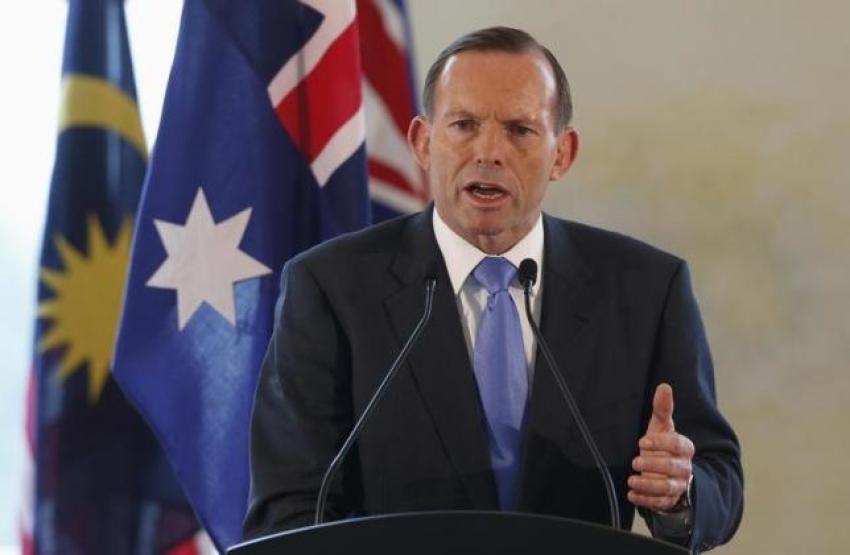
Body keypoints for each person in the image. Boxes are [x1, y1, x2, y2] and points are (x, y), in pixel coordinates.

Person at [244, 27, 743, 552]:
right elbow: (290, 508)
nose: (489, 152)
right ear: (422, 142)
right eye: (463, 125)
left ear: (562, 154)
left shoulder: (645, 289)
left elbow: (720, 479)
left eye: (520, 130)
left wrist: (679, 491)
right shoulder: (330, 288)